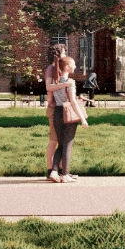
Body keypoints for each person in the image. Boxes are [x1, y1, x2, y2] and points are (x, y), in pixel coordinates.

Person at [44, 46, 83, 182]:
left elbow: (52, 91)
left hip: (58, 110)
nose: (66, 55)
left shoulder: (57, 76)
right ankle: (58, 172)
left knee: (60, 143)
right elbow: (50, 89)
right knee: (61, 143)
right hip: (60, 111)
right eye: (65, 53)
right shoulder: (55, 72)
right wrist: (83, 118)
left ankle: (57, 172)